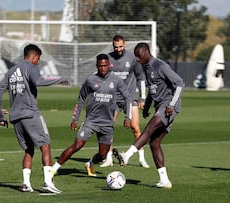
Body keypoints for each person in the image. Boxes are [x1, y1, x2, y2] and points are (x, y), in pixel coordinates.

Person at [0, 44, 68, 194]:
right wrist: (59, 80)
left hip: (15, 117)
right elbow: (38, 81)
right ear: (33, 56)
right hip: (30, 113)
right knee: (45, 145)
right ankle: (48, 182)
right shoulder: (31, 67)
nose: (38, 62)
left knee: (29, 149)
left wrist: (1, 117)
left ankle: (26, 184)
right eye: (38, 59)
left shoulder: (10, 71)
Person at [51, 54, 132, 178]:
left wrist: (128, 117)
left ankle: (90, 164)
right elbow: (80, 100)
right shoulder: (90, 80)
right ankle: (53, 168)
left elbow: (127, 97)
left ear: (109, 65)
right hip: (91, 121)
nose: (103, 68)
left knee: (103, 155)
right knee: (77, 145)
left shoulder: (116, 80)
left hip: (107, 123)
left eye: (105, 66)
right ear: (97, 66)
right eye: (100, 66)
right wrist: (75, 119)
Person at [119, 42, 184, 189]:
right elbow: (153, 90)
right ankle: (164, 180)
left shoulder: (161, 66)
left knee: (150, 127)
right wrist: (148, 105)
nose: (137, 59)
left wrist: (171, 105)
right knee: (154, 143)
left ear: (147, 52)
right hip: (160, 105)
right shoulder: (145, 68)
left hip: (169, 105)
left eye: (139, 55)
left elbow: (180, 83)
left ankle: (127, 155)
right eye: (135, 56)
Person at [100, 35, 150, 168]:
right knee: (108, 127)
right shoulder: (108, 58)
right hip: (113, 98)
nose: (118, 49)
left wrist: (143, 98)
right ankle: (108, 158)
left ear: (125, 44)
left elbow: (141, 78)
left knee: (135, 127)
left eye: (120, 46)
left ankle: (141, 158)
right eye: (116, 47)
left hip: (131, 97)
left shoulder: (132, 58)